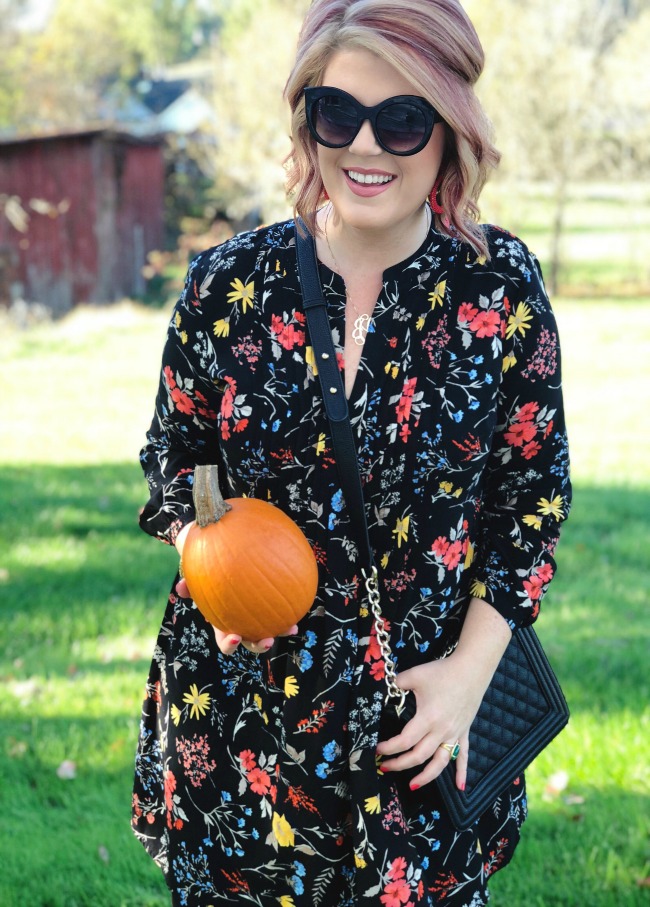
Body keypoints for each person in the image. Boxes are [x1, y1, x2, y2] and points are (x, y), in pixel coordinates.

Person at [132, 0, 572, 904]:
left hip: (420, 727)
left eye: (404, 119)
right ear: (308, 119)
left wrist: (466, 677)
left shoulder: (500, 289)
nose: (366, 148)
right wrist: (208, 557)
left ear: (451, 130)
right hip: (247, 724)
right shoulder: (229, 284)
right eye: (340, 113)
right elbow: (180, 459)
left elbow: (529, 500)